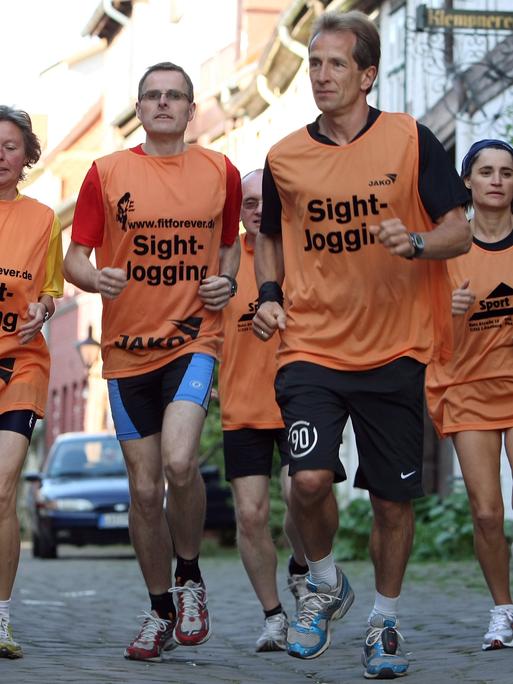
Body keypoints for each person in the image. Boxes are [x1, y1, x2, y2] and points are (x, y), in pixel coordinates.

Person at [252, 10, 471, 679]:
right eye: (313, 63)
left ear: (367, 74)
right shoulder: (284, 155)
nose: (319, 75)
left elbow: (458, 230)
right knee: (309, 480)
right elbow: (269, 233)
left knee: (389, 501)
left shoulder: (409, 140)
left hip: (395, 347)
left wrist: (414, 242)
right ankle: (323, 584)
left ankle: (382, 622)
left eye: (335, 64)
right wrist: (267, 292)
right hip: (311, 346)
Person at [63, 61, 241, 662]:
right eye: (153, 96)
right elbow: (74, 259)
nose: (164, 104)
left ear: (192, 110)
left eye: (175, 96)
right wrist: (96, 278)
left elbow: (231, 242)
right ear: (139, 109)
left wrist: (227, 280)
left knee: (180, 460)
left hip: (192, 339)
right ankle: (160, 608)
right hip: (125, 350)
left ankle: (190, 578)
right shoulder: (106, 172)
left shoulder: (222, 171)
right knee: (143, 490)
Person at [426, 139, 513, 652]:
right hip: (467, 388)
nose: (497, 180)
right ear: (467, 182)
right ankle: (503, 610)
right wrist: (447, 311)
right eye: (486, 171)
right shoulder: (449, 249)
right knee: (485, 512)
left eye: (506, 171)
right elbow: (420, 329)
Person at [218, 168, 308, 652]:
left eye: (263, 202)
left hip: (298, 401)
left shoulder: (298, 252)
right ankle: (274, 618)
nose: (255, 211)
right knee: (250, 516)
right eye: (247, 203)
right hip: (241, 409)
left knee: (302, 498)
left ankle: (301, 567)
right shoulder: (224, 259)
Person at [0, 106, 63, 659]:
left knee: (2, 488)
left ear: (26, 158)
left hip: (20, 363)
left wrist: (43, 307)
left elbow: (49, 288)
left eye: (11, 146)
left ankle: (0, 619)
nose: (0, 154)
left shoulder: (43, 218)